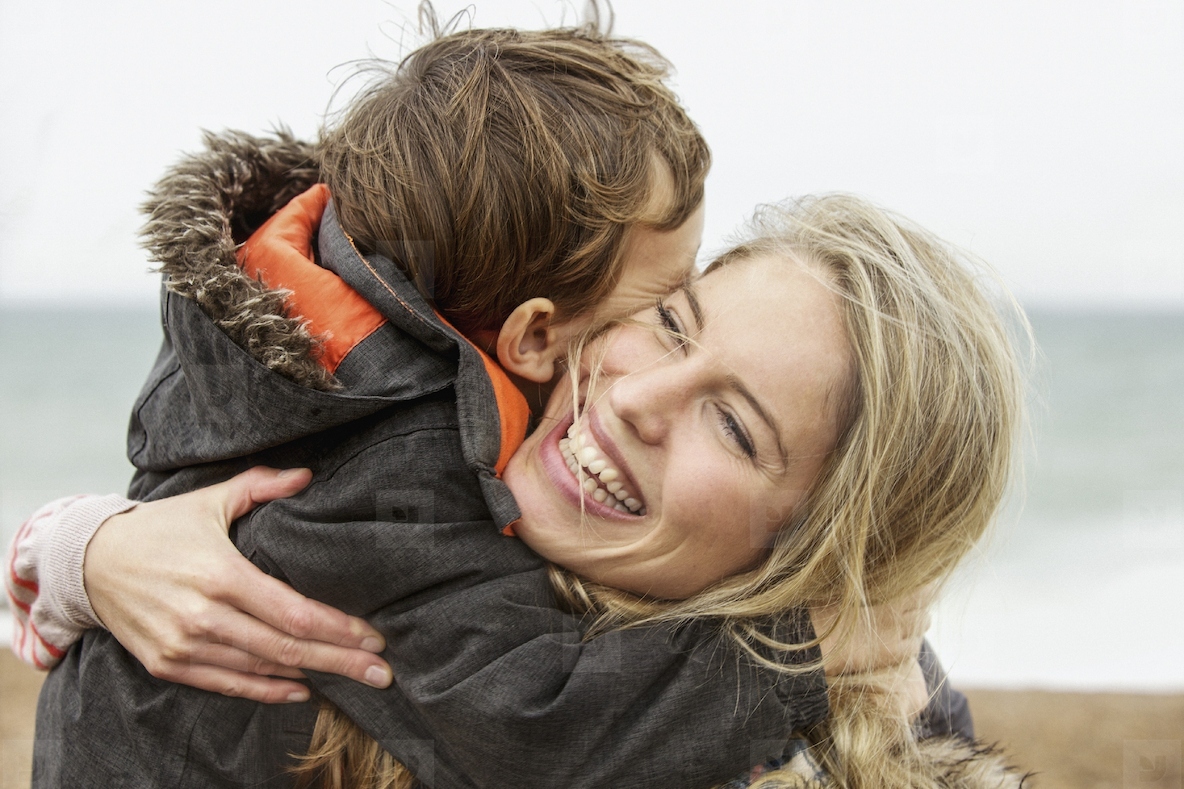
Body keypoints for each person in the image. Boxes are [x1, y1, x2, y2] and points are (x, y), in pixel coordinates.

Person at [7, 20, 933, 789]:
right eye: (666, 313)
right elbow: (535, 722)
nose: (640, 389)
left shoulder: (283, 334)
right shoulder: (402, 463)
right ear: (532, 336)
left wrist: (72, 551)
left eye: (734, 423)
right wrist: (794, 652)